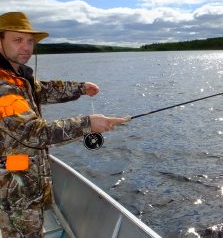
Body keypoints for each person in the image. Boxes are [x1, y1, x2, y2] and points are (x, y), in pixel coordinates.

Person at [0, 12, 129, 237]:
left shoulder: (17, 76)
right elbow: (35, 132)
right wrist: (89, 123)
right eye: (17, 40)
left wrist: (80, 88)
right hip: (14, 192)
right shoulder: (3, 86)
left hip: (23, 182)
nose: (27, 47)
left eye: (30, 41)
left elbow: (42, 90)